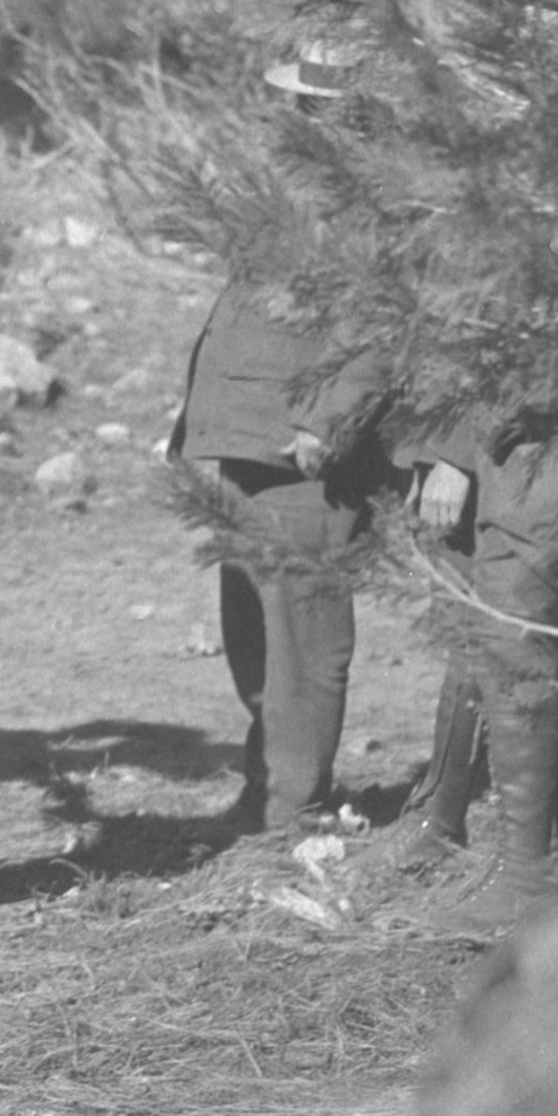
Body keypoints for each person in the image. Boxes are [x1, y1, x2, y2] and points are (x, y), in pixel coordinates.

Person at [164, 52, 392, 834]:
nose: (284, 115)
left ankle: (294, 802)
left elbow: (383, 329)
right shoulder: (294, 193)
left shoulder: (368, 202)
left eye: (298, 102)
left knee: (306, 639)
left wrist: (327, 424)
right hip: (245, 445)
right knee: (254, 636)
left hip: (303, 457)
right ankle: (268, 792)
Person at [384, 377, 558, 926]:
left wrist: (451, 453)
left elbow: (536, 334)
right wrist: (432, 452)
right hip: (507, 435)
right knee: (487, 630)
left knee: (520, 641)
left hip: (542, 440)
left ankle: (527, 877)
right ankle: (478, 835)